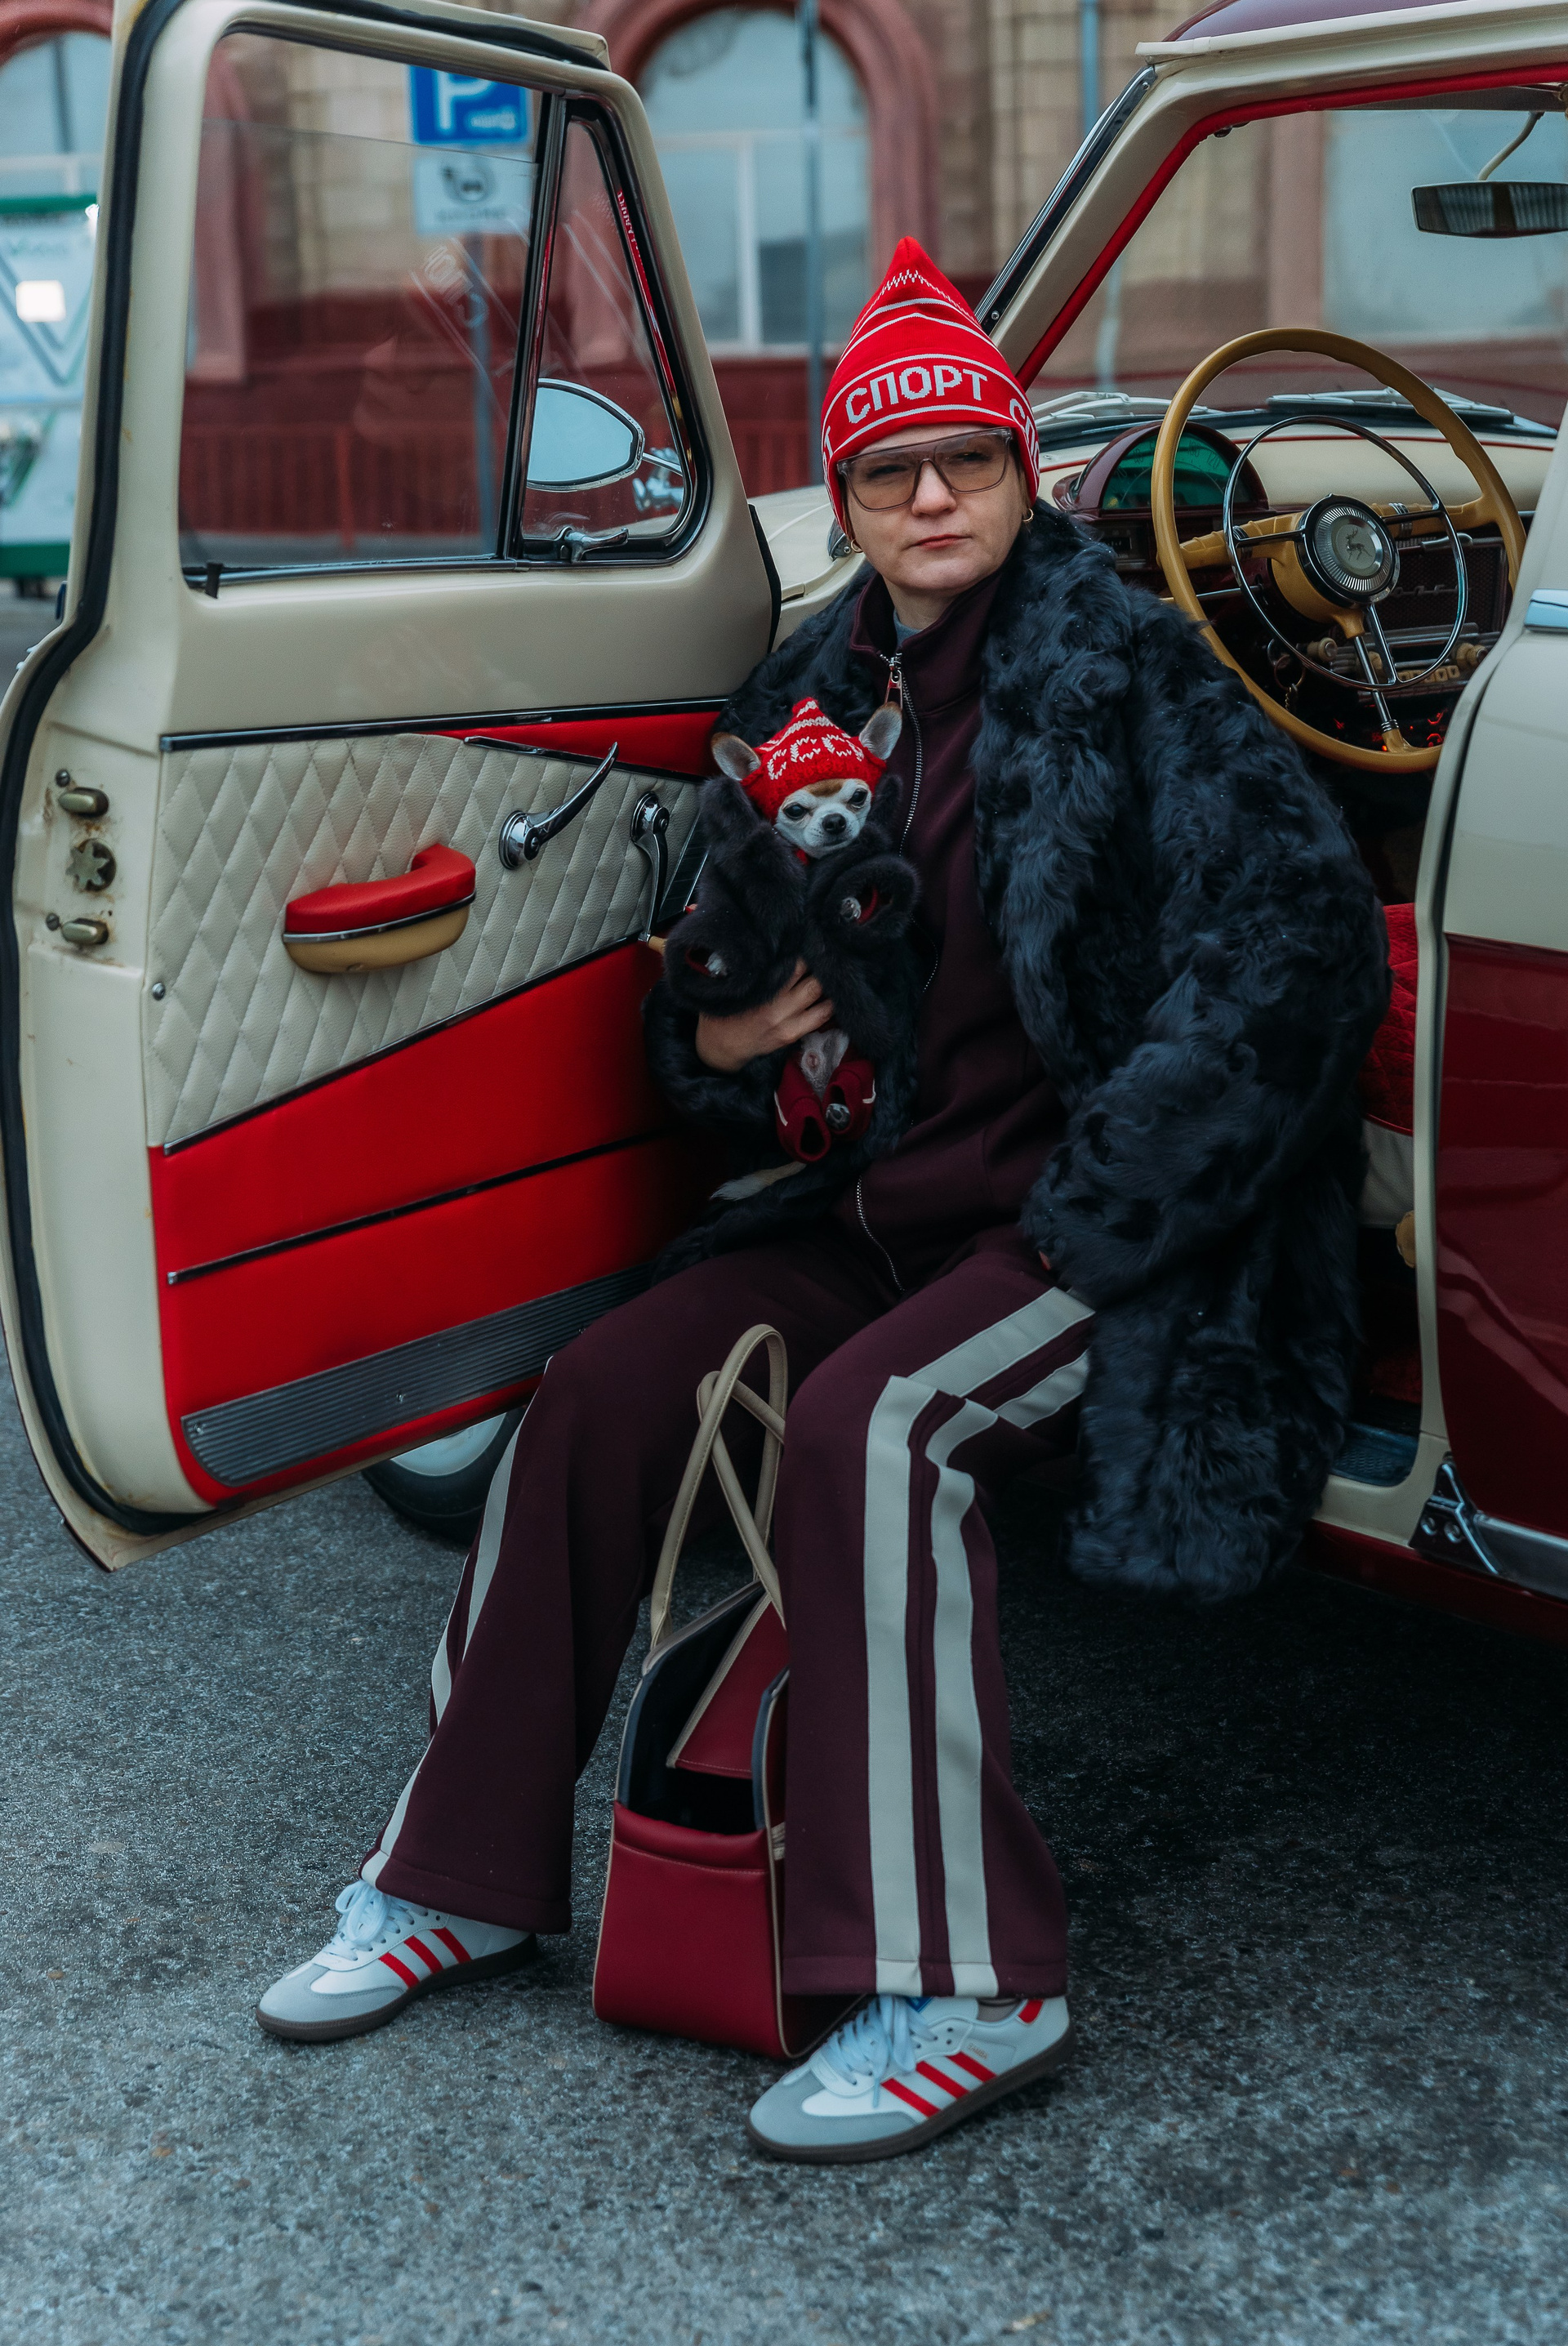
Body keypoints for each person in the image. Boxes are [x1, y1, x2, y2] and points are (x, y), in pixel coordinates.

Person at [256, 242, 1387, 2163]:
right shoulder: (807, 689)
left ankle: (972, 1980)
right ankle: (456, 1876)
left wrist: (1108, 1197)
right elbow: (719, 956)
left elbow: (1304, 945)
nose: (933, 496)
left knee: (880, 1426)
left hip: (1088, 1224)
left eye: (969, 458)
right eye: (889, 470)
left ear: (1022, 471)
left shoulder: (1128, 671)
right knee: (602, 1387)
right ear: (846, 498)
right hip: (867, 1198)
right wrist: (716, 1027)